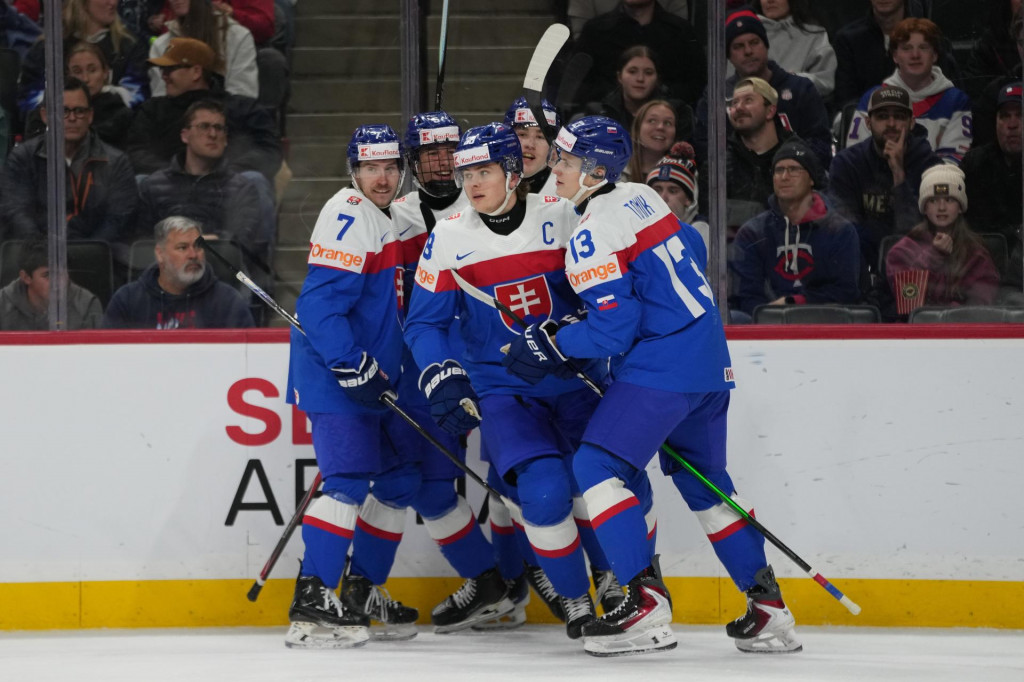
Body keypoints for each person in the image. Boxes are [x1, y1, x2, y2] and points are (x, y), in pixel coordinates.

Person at [504, 114, 801, 656]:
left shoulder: (592, 232)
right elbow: (682, 255)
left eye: (567, 162)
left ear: (594, 172)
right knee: (708, 485)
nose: (556, 168)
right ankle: (768, 607)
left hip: (663, 367)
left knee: (594, 467)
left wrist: (553, 343)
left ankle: (643, 606)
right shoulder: (644, 196)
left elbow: (615, 326)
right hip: (710, 361)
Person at [404, 122, 615, 643]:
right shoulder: (449, 236)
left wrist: (574, 338)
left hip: (576, 384)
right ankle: (574, 596)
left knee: (605, 488)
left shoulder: (564, 217)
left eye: (484, 171)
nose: (472, 183)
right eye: (465, 173)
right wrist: (441, 373)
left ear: (515, 173)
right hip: (506, 394)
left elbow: (603, 298)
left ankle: (623, 582)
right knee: (543, 496)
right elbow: (424, 323)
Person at [283, 124, 424, 648]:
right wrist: (350, 364)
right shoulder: (347, 215)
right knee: (346, 480)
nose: (381, 178)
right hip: (338, 377)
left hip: (375, 377)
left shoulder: (385, 214)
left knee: (398, 480)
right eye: (370, 168)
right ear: (354, 171)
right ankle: (313, 599)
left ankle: (361, 590)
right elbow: (318, 307)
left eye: (389, 167)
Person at [386, 111, 521, 634]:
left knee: (514, 474)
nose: (442, 162)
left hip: (502, 364)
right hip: (433, 369)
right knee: (434, 485)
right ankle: (493, 584)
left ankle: (538, 574)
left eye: (449, 151)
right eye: (429, 154)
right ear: (413, 163)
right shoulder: (392, 214)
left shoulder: (489, 198)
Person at [0, 78, 138, 249]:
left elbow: (117, 219)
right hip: (35, 255)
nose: (72, 118)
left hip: (97, 257)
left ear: (90, 115)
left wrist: (84, 252)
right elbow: (15, 211)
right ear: (45, 115)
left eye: (79, 111)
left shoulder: (116, 162)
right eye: (63, 111)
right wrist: (42, 251)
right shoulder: (23, 157)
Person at [731, 138, 861, 318]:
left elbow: (846, 293)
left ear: (811, 179)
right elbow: (746, 296)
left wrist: (794, 304)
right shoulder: (753, 233)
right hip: (767, 328)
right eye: (779, 170)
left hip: (825, 323)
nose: (785, 177)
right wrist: (771, 317)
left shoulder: (839, 231)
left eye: (793, 169)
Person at [126, 37, 281, 183]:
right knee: (140, 181)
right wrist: (175, 172)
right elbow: (136, 152)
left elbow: (267, 150)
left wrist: (229, 171)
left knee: (254, 179)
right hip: (169, 189)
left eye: (170, 69)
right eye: (162, 71)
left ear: (196, 72)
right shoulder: (152, 110)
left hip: (228, 191)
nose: (164, 76)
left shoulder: (242, 109)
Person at [829, 84, 942, 278]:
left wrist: (898, 174)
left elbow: (920, 231)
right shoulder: (847, 163)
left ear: (912, 122)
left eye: (899, 116)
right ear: (868, 123)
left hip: (918, 268)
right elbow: (844, 229)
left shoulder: (931, 167)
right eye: (882, 116)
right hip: (863, 266)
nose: (891, 123)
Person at [693, 8, 831, 167]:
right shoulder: (716, 95)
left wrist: (790, 163)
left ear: (766, 46)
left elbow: (821, 143)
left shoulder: (800, 88)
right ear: (729, 57)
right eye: (738, 46)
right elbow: (705, 147)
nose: (748, 51)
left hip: (793, 176)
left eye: (754, 42)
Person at [136, 100, 267, 267]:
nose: (213, 134)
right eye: (204, 126)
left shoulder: (242, 188)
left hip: (220, 273)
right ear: (185, 135)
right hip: (166, 274)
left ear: (226, 139)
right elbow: (141, 243)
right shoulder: (153, 186)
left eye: (219, 128)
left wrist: (209, 243)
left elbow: (242, 244)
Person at [844, 18, 972, 165]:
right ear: (895, 56)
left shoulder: (956, 101)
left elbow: (954, 160)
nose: (915, 55)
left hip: (932, 184)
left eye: (923, 47)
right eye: (906, 48)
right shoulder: (873, 98)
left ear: (935, 55)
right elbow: (855, 156)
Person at [102, 216, 254, 329]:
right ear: (160, 254)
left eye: (198, 247)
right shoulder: (127, 300)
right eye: (182, 248)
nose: (193, 255)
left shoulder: (228, 301)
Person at [886, 164, 999, 312]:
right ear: (924, 208)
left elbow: (981, 307)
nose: (941, 207)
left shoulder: (976, 252)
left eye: (949, 200)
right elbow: (906, 299)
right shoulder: (902, 251)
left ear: (960, 207)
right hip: (915, 331)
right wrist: (933, 256)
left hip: (961, 331)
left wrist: (947, 317)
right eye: (933, 200)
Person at [17, 0, 150, 114]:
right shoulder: (47, 48)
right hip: (57, 137)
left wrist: (103, 96)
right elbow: (27, 102)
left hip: (114, 135)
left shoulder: (130, 46)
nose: (113, 2)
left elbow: (138, 98)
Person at [832, 0, 960, 113]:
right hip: (866, 126)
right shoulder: (848, 40)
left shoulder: (929, 37)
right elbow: (846, 101)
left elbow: (950, 98)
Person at [572, 0, 706, 107]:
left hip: (667, 124)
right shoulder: (595, 31)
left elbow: (697, 85)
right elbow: (576, 86)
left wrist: (661, 95)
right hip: (607, 124)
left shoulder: (681, 32)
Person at [149, 0, 259, 100]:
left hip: (226, 117)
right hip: (174, 119)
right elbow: (160, 99)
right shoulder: (161, 45)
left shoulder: (237, 37)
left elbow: (242, 96)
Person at [963, 82, 1023, 259]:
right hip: (983, 265)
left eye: (1020, 115)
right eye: (1004, 116)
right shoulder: (974, 164)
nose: (1012, 124)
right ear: (995, 122)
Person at [576, 45, 688, 133]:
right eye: (632, 72)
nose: (640, 79)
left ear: (657, 79)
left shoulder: (676, 112)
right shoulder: (599, 114)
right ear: (620, 76)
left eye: (648, 73)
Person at [0, 237, 102, 331]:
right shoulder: (2, 304)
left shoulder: (87, 305)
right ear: (26, 277)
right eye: (47, 275)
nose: (58, 282)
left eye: (62, 272)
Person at [746, 0, 836, 99]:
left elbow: (825, 82)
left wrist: (792, 80)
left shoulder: (814, 36)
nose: (769, 1)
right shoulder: (742, 36)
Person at [64, 41, 133, 148]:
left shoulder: (122, 115)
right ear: (68, 75)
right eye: (77, 72)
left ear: (105, 73)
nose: (85, 79)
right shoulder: (53, 111)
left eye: (92, 70)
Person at [645, 141, 709, 250]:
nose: (662, 198)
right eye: (657, 190)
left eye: (673, 191)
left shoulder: (700, 231)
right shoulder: (635, 229)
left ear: (689, 199)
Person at [504, 96, 559, 195]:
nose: (530, 144)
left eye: (540, 137)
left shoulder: (569, 191)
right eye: (522, 134)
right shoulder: (476, 183)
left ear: (553, 147)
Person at [623, 99, 677, 182]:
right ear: (637, 129)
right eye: (652, 121)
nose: (660, 127)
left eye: (668, 123)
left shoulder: (684, 171)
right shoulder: (613, 169)